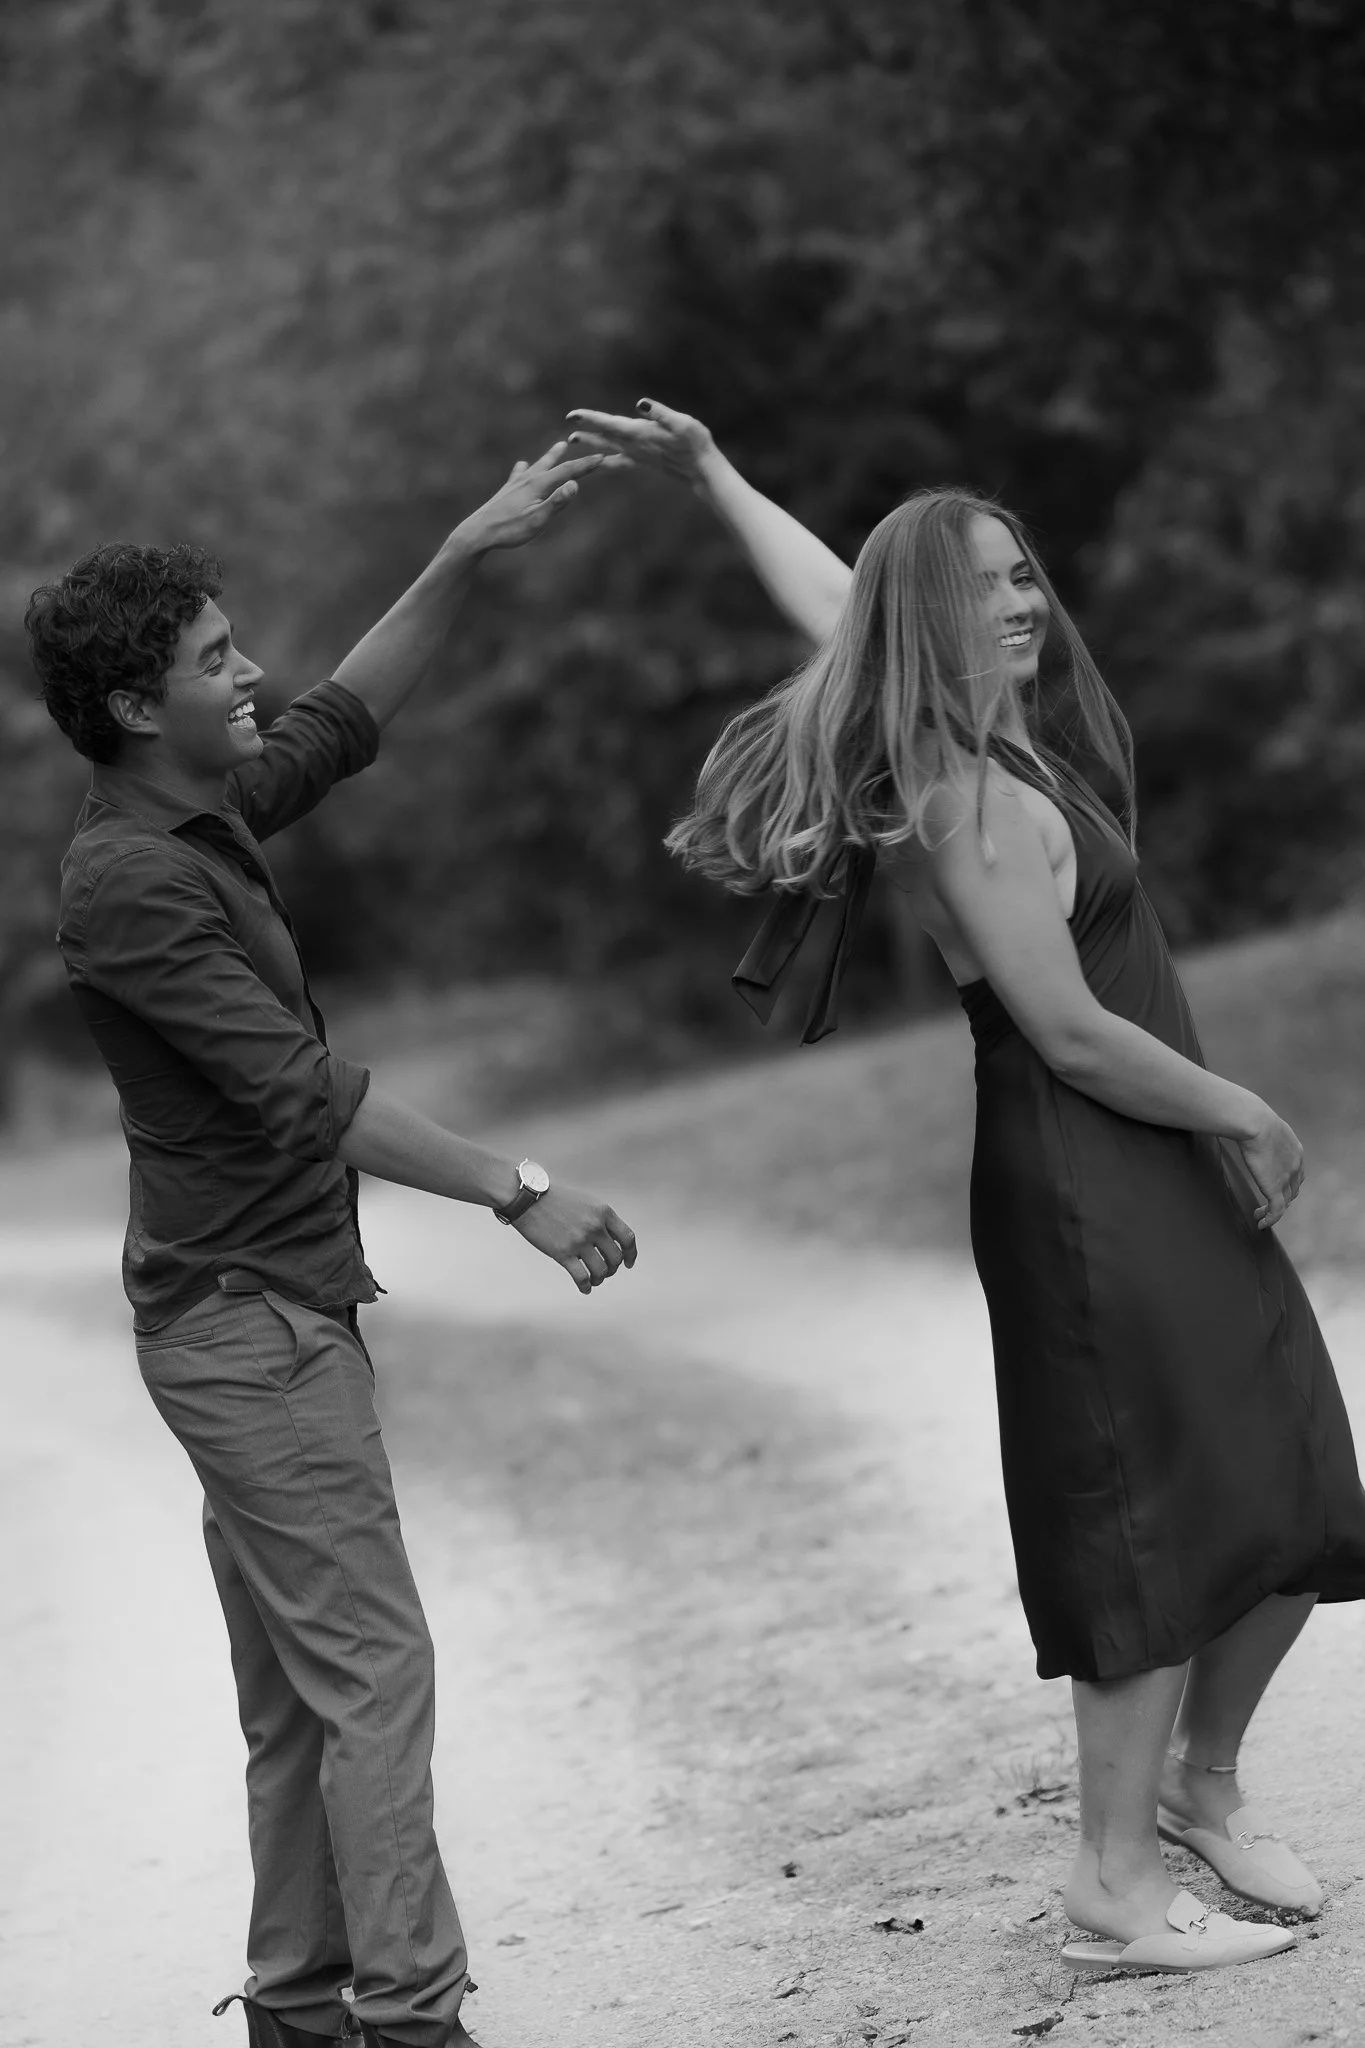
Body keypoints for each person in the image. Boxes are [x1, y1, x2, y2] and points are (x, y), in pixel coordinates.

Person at [564, 397, 1365, 1976]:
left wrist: (723, 476)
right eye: (989, 580)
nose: (1024, 597)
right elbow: (1067, 1030)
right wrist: (1242, 1108)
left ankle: (1201, 1790)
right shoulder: (968, 798)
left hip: (1152, 1156)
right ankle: (1111, 1888)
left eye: (1024, 571)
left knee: (1288, 1475)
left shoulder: (983, 746)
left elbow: (832, 602)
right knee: (1143, 1515)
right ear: (934, 618)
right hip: (1088, 1174)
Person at [27, 442, 637, 2048]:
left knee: (307, 1697)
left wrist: (465, 545)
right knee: (375, 1674)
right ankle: (414, 2019)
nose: (255, 678)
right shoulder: (130, 885)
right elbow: (304, 1095)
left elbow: (342, 721)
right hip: (247, 1327)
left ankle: (304, 2009)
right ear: (135, 710)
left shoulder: (203, 807)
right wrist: (519, 1187)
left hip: (266, 1316)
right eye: (218, 662)